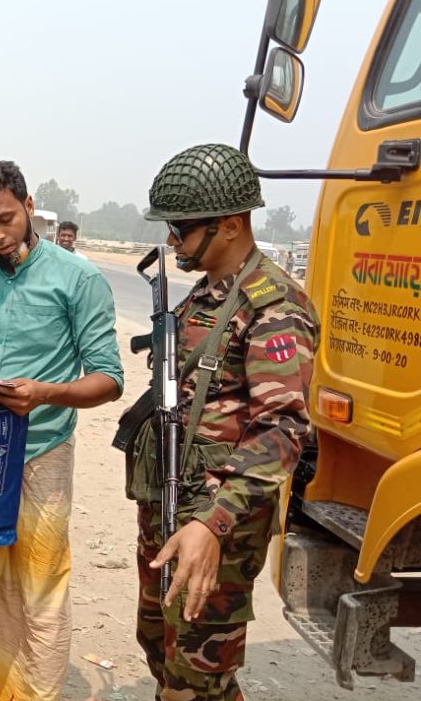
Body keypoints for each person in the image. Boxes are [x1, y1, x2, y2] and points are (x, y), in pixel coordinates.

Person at [0, 160, 124, 701]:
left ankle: (31, 691)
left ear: (29, 206)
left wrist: (44, 392)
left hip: (42, 454)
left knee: (39, 586)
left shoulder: (77, 278)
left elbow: (109, 379)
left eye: (7, 219)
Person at [125, 143, 317, 700]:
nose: (171, 242)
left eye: (181, 229)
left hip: (217, 522)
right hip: (170, 505)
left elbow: (283, 429)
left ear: (231, 225)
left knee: (194, 676)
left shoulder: (274, 304)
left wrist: (214, 523)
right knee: (162, 648)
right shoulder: (209, 294)